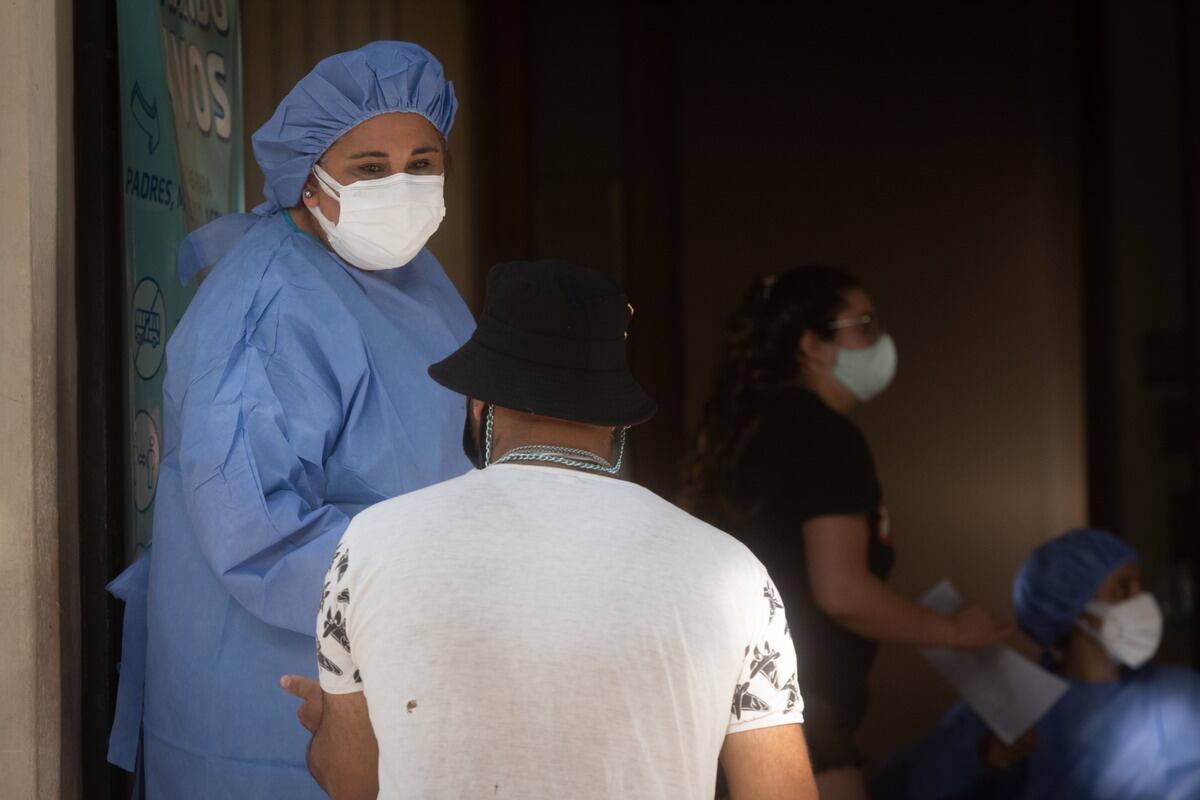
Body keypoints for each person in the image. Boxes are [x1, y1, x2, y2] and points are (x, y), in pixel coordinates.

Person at [280, 260, 818, 799]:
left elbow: (352, 779)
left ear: (477, 405)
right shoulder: (734, 574)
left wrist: (333, 726)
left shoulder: (370, 545)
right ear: (616, 418)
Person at [105, 42, 476, 798]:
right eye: (370, 168)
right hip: (271, 698)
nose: (400, 185)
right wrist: (434, 581)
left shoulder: (413, 279)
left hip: (395, 662)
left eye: (423, 162)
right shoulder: (269, 304)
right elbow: (255, 531)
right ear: (310, 179)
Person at [680, 266, 1009, 799]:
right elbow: (841, 591)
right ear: (813, 344)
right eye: (864, 324)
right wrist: (955, 632)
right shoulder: (828, 437)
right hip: (799, 709)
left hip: (725, 702)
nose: (879, 339)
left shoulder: (740, 431)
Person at [875, 528, 1200, 799]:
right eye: (1123, 588)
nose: (1141, 602)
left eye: (1139, 587)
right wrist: (980, 756)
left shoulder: (1182, 694)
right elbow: (908, 784)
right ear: (1075, 608)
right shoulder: (1011, 707)